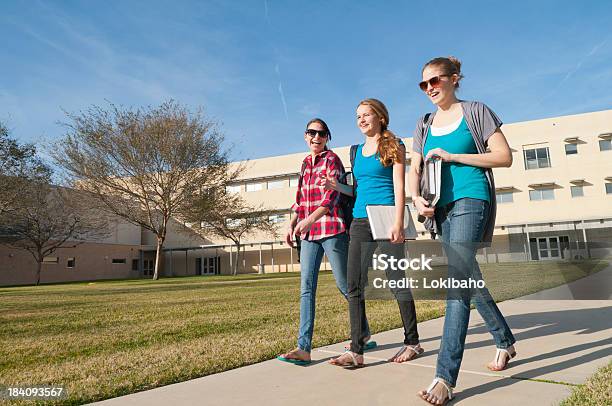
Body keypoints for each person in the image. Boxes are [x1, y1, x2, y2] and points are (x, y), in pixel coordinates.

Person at [410, 56, 517, 405]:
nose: (429, 88)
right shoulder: (423, 124)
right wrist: (416, 199)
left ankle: (445, 375)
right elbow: (416, 169)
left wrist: (456, 157)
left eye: (435, 81)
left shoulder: (476, 111)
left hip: (472, 198)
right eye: (424, 84)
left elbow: (503, 156)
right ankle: (504, 340)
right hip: (439, 209)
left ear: (454, 79)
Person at [326, 98, 422, 368]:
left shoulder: (394, 144)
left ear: (380, 117)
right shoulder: (355, 151)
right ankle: (356, 350)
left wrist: (399, 222)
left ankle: (412, 341)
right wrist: (337, 186)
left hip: (388, 218)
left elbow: (399, 186)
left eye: (367, 114)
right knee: (354, 284)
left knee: (396, 280)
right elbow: (358, 189)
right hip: (359, 221)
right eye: (358, 116)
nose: (362, 119)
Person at [277, 118, 374, 365]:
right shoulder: (305, 163)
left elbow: (331, 198)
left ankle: (362, 334)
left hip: (331, 229)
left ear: (327, 137)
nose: (316, 137)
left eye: (321, 134)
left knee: (345, 285)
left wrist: (308, 220)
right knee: (306, 288)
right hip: (309, 234)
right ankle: (303, 347)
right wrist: (293, 222)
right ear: (306, 135)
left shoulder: (332, 160)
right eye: (312, 132)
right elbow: (300, 198)